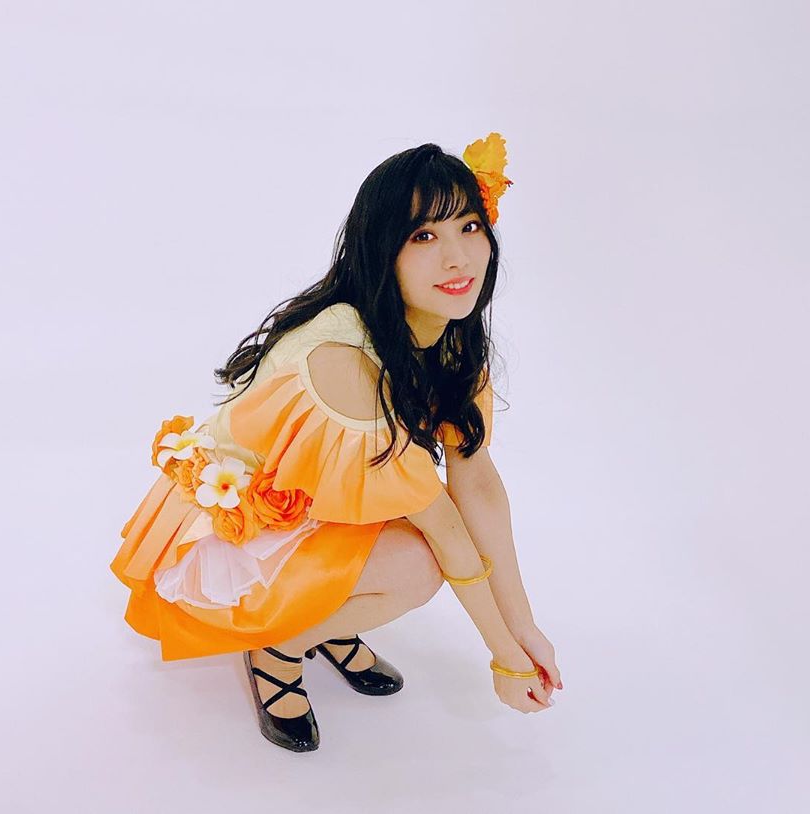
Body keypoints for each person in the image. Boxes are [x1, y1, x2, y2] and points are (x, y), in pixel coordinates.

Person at [110, 132, 563, 752]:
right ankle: (278, 647)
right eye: (423, 237)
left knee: (419, 550)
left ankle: (321, 621)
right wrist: (505, 658)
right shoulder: (344, 360)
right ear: (382, 250)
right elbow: (446, 528)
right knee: (419, 566)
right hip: (238, 528)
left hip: (316, 503)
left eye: (469, 227)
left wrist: (525, 627)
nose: (458, 258)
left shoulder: (450, 335)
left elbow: (477, 484)